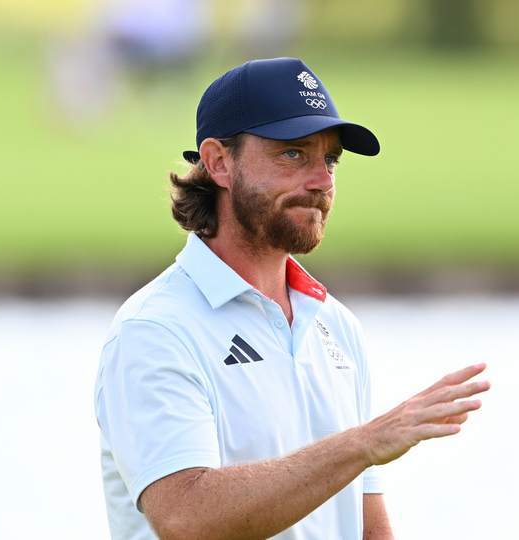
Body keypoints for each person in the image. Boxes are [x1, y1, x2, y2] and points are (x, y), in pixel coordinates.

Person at [94, 57, 490, 540]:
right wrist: (364, 443)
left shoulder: (336, 326)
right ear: (219, 162)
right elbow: (185, 516)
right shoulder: (156, 329)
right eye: (293, 155)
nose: (321, 180)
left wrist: (362, 449)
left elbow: (365, 527)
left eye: (330, 160)